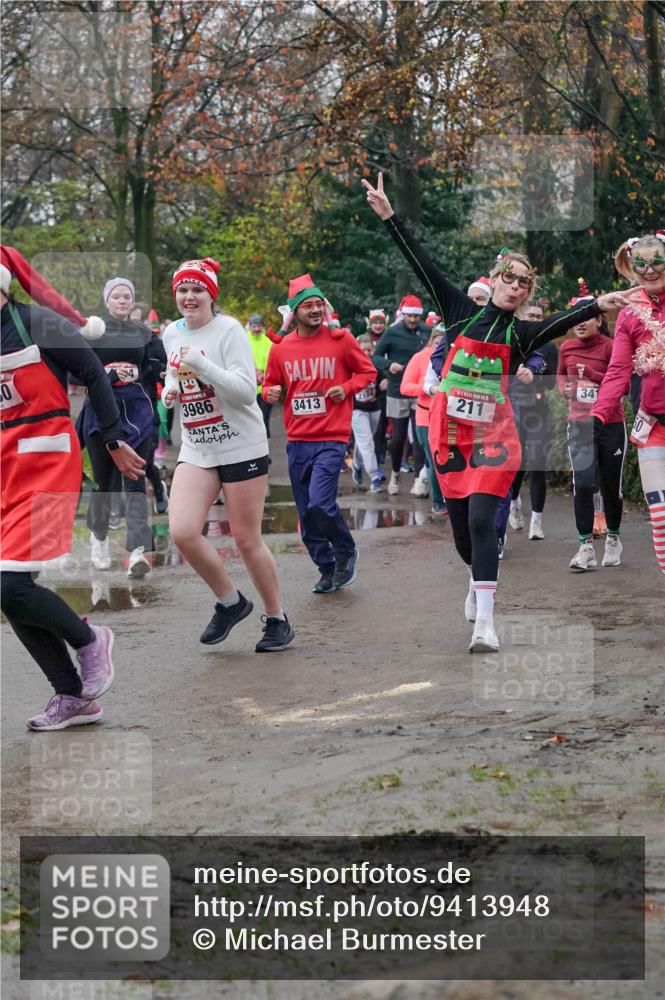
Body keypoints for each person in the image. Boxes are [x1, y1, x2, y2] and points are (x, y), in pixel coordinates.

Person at [362, 171, 636, 652]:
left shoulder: (522, 333)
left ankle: (485, 624)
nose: (514, 286)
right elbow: (420, 261)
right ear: (494, 281)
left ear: (527, 294)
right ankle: (474, 579)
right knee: (464, 534)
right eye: (508, 277)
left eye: (524, 283)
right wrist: (390, 217)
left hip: (493, 438)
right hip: (450, 436)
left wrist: (600, 302)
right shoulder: (459, 312)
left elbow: (564, 320)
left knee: (483, 522)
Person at [0, 245, 144, 730]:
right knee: (9, 589)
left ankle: (89, 641)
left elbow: (93, 374)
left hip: (46, 465)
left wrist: (113, 438)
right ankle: (72, 695)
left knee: (9, 585)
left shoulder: (36, 322)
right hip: (4, 471)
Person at [161, 257, 294, 652]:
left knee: (246, 540)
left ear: (211, 294)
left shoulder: (229, 330)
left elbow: (242, 389)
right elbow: (174, 367)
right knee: (182, 531)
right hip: (198, 446)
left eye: (197, 289)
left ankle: (277, 619)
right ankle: (230, 602)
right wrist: (170, 388)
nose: (189, 297)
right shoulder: (171, 333)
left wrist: (202, 365)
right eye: (183, 290)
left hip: (240, 444)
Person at [262, 273, 376, 593]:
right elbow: (271, 382)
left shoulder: (341, 340)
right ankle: (326, 568)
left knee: (319, 503)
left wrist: (346, 387)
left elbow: (367, 372)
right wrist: (269, 391)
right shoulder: (281, 348)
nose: (314, 310)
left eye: (318, 305)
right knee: (306, 514)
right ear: (295, 311)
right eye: (308, 305)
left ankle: (345, 552)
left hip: (332, 435)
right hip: (298, 438)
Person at [78, 276, 165, 577]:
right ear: (107, 301)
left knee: (136, 478)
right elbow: (75, 374)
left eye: (127, 295)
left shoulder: (143, 332)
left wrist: (148, 369)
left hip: (136, 410)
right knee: (105, 483)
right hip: (102, 410)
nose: (123, 300)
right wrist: (105, 377)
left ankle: (139, 550)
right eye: (116, 296)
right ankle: (98, 538)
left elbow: (158, 365)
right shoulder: (93, 330)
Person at [593, 232, 665, 577]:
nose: (649, 270)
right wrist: (598, 414)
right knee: (661, 515)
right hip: (653, 426)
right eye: (641, 264)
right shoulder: (629, 313)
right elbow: (618, 371)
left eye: (657, 262)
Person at [557, 279, 627, 570]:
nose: (581, 323)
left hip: (611, 424)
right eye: (576, 319)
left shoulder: (612, 347)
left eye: (587, 318)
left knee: (611, 485)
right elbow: (560, 376)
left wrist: (595, 386)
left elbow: (621, 385)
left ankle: (613, 537)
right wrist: (566, 389)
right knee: (583, 483)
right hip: (579, 423)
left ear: (599, 319)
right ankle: (585, 546)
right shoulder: (567, 348)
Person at [509, 298, 559, 540]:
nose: (536, 320)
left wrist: (534, 375)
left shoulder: (549, 347)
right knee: (516, 465)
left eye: (539, 317)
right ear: (522, 317)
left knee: (538, 464)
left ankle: (537, 521)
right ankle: (514, 503)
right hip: (514, 411)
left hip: (539, 411)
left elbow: (551, 382)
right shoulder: (513, 341)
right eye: (531, 316)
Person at [371, 294, 429, 495]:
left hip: (420, 391)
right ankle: (395, 473)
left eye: (416, 316)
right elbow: (375, 357)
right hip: (397, 390)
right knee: (398, 437)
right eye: (409, 316)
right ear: (403, 315)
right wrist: (389, 365)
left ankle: (418, 481)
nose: (413, 320)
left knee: (420, 438)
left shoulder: (426, 333)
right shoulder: (392, 333)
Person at [400, 326, 447, 512]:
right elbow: (405, 387)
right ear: (431, 341)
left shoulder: (454, 357)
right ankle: (438, 502)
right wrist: (428, 387)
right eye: (437, 343)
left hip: (450, 417)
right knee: (436, 460)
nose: (440, 347)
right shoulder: (420, 358)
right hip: (426, 417)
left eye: (445, 344)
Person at [351, 335, 387, 493]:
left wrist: (384, 385)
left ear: (373, 350)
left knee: (364, 442)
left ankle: (357, 464)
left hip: (374, 409)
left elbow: (382, 383)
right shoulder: (350, 368)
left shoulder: (375, 368)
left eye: (369, 350)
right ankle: (374, 477)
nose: (366, 352)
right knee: (367, 443)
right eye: (362, 350)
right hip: (357, 410)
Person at [246, 313, 273, 438]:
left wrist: (265, 374)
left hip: (265, 386)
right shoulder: (243, 340)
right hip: (248, 386)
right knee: (250, 420)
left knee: (264, 418)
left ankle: (265, 451)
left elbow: (274, 362)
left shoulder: (268, 342)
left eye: (259, 326)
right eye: (254, 326)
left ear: (262, 327)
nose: (256, 329)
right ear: (250, 326)